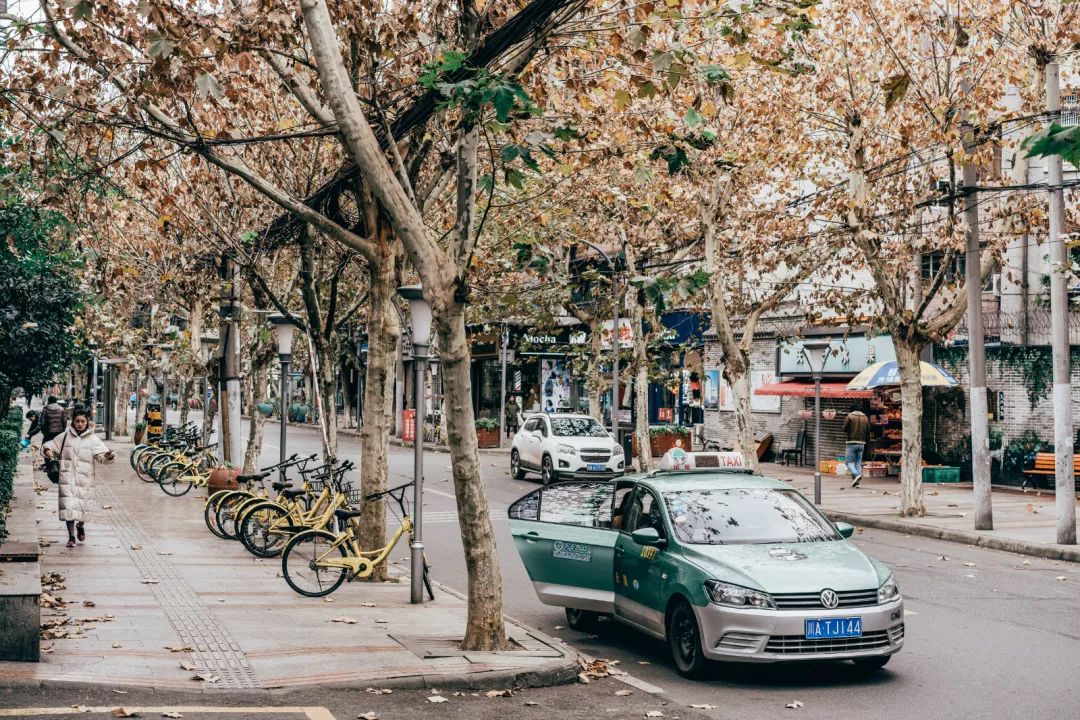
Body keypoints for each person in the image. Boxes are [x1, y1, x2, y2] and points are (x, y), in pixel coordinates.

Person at [42, 408, 115, 548]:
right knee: (68, 508)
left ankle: (80, 526)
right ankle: (71, 537)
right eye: (77, 421)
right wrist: (47, 450)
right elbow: (51, 445)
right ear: (73, 422)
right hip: (67, 479)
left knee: (83, 509)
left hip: (85, 480)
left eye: (83, 421)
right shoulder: (64, 436)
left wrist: (108, 456)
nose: (80, 424)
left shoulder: (93, 440)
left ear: (87, 422)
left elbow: (102, 456)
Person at [844, 403, 871, 488]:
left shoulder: (849, 416)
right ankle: (857, 482)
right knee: (858, 462)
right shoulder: (865, 417)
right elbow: (868, 431)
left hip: (851, 442)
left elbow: (844, 428)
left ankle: (856, 474)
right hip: (862, 443)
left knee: (848, 462)